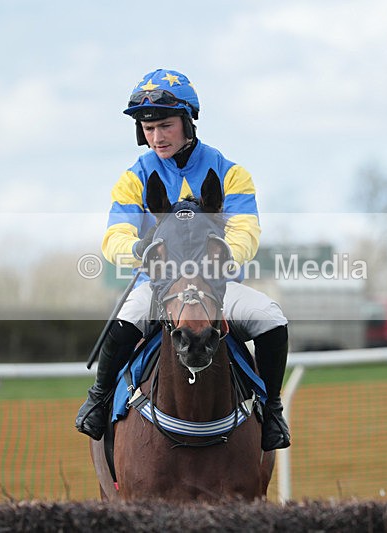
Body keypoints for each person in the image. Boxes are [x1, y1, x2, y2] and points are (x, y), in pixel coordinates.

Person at [75, 68, 290, 451]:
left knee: (272, 318)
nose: (156, 137)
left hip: (217, 287)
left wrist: (224, 255)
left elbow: (245, 230)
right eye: (148, 128)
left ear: (188, 122)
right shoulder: (134, 178)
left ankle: (271, 409)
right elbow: (114, 236)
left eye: (165, 126)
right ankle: (100, 399)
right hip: (158, 288)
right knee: (125, 321)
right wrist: (138, 250)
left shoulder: (232, 174)